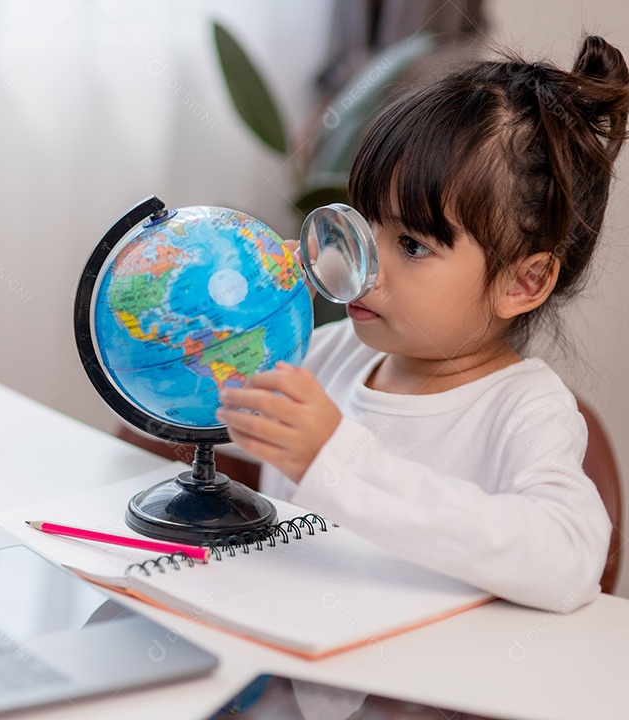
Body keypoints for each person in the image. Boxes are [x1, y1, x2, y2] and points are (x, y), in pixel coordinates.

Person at [217, 35, 629, 612]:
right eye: (365, 224)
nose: (362, 264)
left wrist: (337, 460)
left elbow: (569, 561)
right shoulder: (328, 354)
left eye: (411, 245)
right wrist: (246, 304)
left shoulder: (524, 411)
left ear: (523, 282)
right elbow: (212, 395)